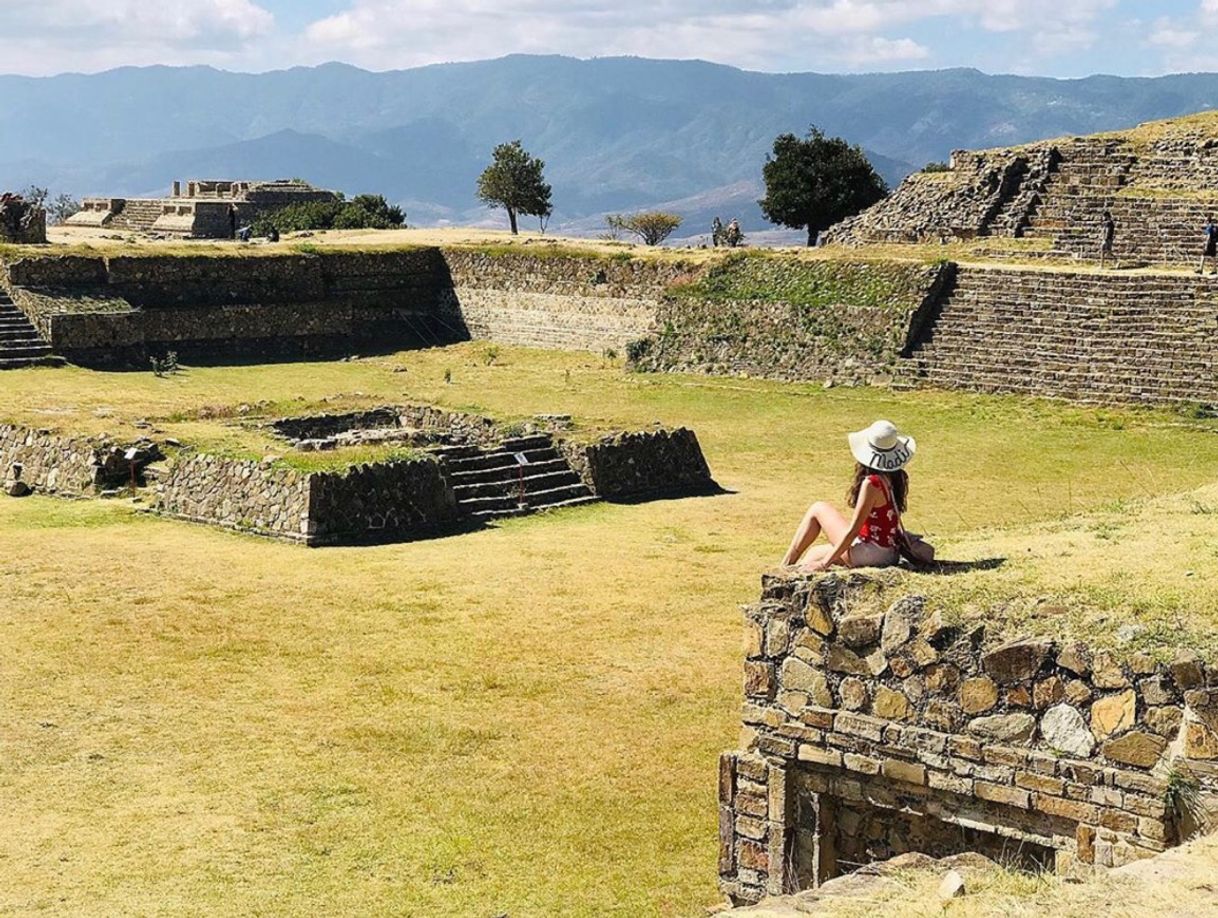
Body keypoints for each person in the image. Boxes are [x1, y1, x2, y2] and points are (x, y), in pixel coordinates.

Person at [780, 420, 933, 571]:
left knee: (818, 508)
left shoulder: (872, 483)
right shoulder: (895, 477)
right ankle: (791, 570)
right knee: (813, 554)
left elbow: (853, 530)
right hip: (889, 551)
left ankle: (784, 566)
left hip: (871, 553)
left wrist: (823, 565)